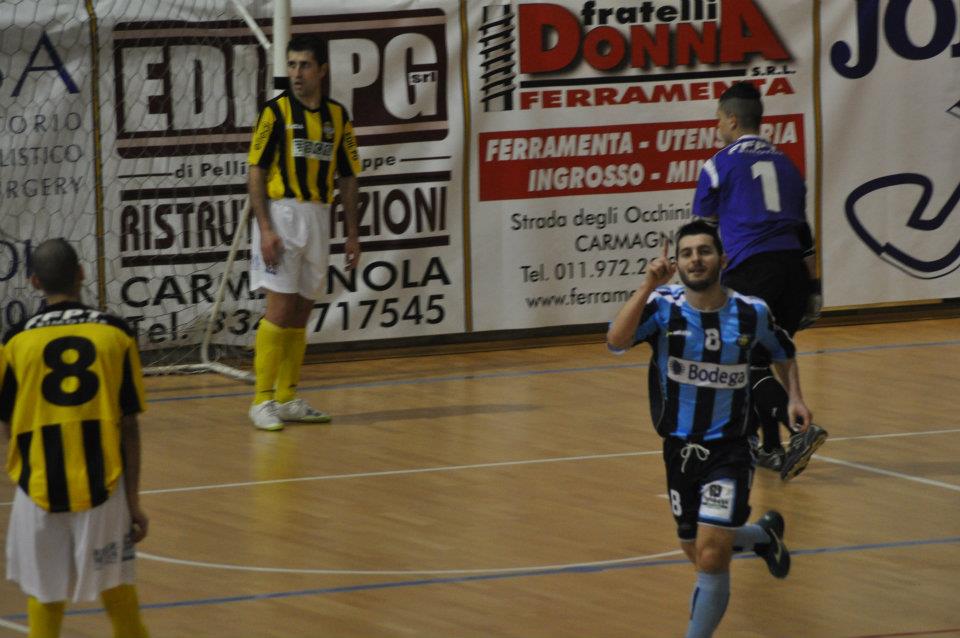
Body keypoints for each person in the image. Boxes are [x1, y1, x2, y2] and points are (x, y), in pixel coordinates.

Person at [607, 220, 811, 638]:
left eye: (704, 251)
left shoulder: (751, 312)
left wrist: (795, 397)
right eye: (686, 253)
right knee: (695, 549)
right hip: (679, 450)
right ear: (677, 263)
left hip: (731, 450)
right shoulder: (663, 307)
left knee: (713, 556)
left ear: (723, 259)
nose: (695, 259)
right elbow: (616, 340)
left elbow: (782, 350)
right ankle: (760, 537)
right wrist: (646, 286)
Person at [0, 238, 149, 638]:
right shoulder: (116, 333)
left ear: (34, 281)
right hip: (104, 483)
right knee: (119, 594)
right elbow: (130, 425)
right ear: (82, 273)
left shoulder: (14, 341)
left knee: (44, 597)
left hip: (37, 485)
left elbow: (6, 423)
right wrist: (133, 501)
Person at [692, 81, 827, 481]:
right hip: (793, 273)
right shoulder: (787, 164)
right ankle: (769, 447)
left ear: (732, 119)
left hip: (753, 271)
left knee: (744, 363)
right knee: (767, 356)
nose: (717, 126)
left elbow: (703, 232)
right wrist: (813, 290)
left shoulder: (718, 165)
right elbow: (804, 233)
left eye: (719, 118)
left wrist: (702, 285)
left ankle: (797, 430)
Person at [246, 34, 362, 431]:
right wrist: (265, 228)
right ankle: (261, 400)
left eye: (304, 65)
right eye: (292, 65)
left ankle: (286, 397)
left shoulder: (338, 116)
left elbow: (348, 176)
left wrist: (352, 233)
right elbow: (256, 170)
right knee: (279, 310)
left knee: (301, 311)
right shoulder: (274, 112)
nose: (296, 73)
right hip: (282, 214)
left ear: (322, 70)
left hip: (319, 216)